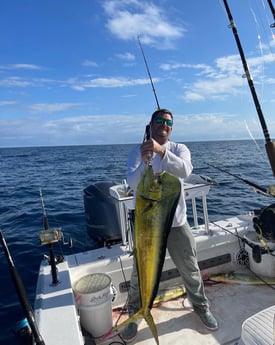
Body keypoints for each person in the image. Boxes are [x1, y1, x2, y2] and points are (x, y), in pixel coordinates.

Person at [122, 108, 218, 342]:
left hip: (176, 223)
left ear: (171, 128)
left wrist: (161, 152)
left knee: (190, 266)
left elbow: (184, 170)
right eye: (159, 120)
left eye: (168, 122)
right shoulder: (138, 151)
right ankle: (136, 313)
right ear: (151, 124)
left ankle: (201, 306)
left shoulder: (179, 149)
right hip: (147, 225)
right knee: (139, 273)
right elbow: (133, 183)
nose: (164, 125)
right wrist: (146, 161)